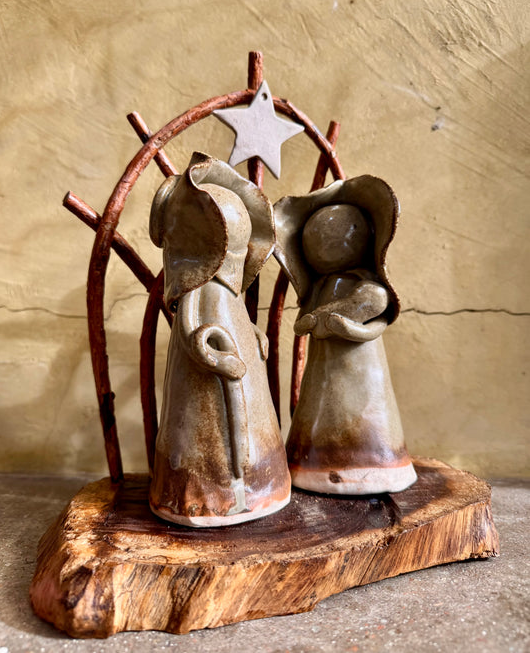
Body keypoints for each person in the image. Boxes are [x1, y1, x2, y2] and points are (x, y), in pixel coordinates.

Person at [149, 152, 290, 526]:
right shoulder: (196, 291)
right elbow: (191, 333)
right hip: (211, 380)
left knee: (251, 432)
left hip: (239, 367)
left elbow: (229, 323)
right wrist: (213, 357)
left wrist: (253, 335)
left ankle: (259, 488)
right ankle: (204, 497)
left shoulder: (231, 294)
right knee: (209, 432)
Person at [274, 176, 417, 495]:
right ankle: (313, 465)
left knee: (368, 413)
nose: (326, 244)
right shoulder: (318, 289)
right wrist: (315, 322)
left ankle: (377, 466)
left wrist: (351, 328)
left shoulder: (368, 287)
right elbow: (301, 324)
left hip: (365, 371)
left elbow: (376, 322)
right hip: (322, 370)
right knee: (320, 410)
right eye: (315, 238)